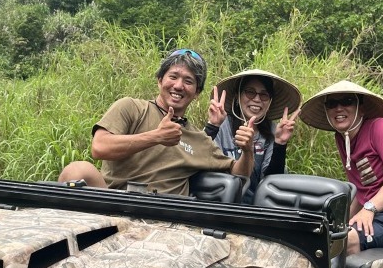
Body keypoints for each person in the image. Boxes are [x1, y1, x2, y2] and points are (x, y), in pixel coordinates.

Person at [58, 49, 256, 196]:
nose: (178, 86)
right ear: (160, 80)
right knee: (77, 170)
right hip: (115, 207)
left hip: (166, 220)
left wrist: (247, 151)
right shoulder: (132, 108)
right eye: (173, 76)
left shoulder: (199, 139)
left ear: (196, 93)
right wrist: (156, 137)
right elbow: (99, 147)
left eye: (188, 81)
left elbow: (238, 172)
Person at [299, 80, 383, 256]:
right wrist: (342, 222)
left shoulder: (379, 127)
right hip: (380, 218)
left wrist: (369, 210)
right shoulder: (342, 139)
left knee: (346, 241)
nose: (339, 108)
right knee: (326, 235)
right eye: (332, 104)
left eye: (347, 101)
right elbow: (362, 193)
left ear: (361, 108)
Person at [204, 69, 302, 204]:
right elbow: (201, 162)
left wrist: (280, 144)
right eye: (250, 92)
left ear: (270, 102)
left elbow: (272, 182)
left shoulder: (274, 130)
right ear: (238, 96)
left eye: (264, 95)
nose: (257, 99)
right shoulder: (221, 124)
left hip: (256, 209)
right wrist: (212, 126)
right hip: (218, 203)